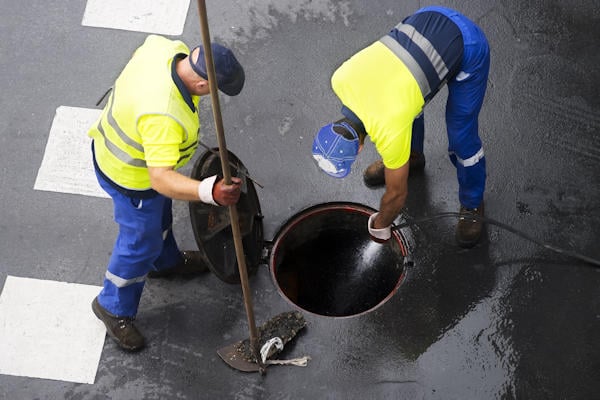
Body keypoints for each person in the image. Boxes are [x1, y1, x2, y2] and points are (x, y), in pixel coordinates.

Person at [88, 34, 245, 351]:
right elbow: (160, 180)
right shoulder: (164, 116)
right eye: (213, 90)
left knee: (159, 219)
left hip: (117, 149)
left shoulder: (167, 49)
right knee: (139, 242)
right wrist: (209, 191)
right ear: (202, 85)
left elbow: (139, 55)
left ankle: (166, 263)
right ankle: (112, 306)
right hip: (130, 176)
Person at [312, 6, 490, 248]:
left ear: (361, 148)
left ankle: (472, 203)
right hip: (425, 18)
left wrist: (380, 225)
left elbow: (396, 196)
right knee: (405, 101)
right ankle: (412, 157)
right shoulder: (340, 79)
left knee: (462, 137)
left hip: (467, 44)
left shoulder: (390, 129)